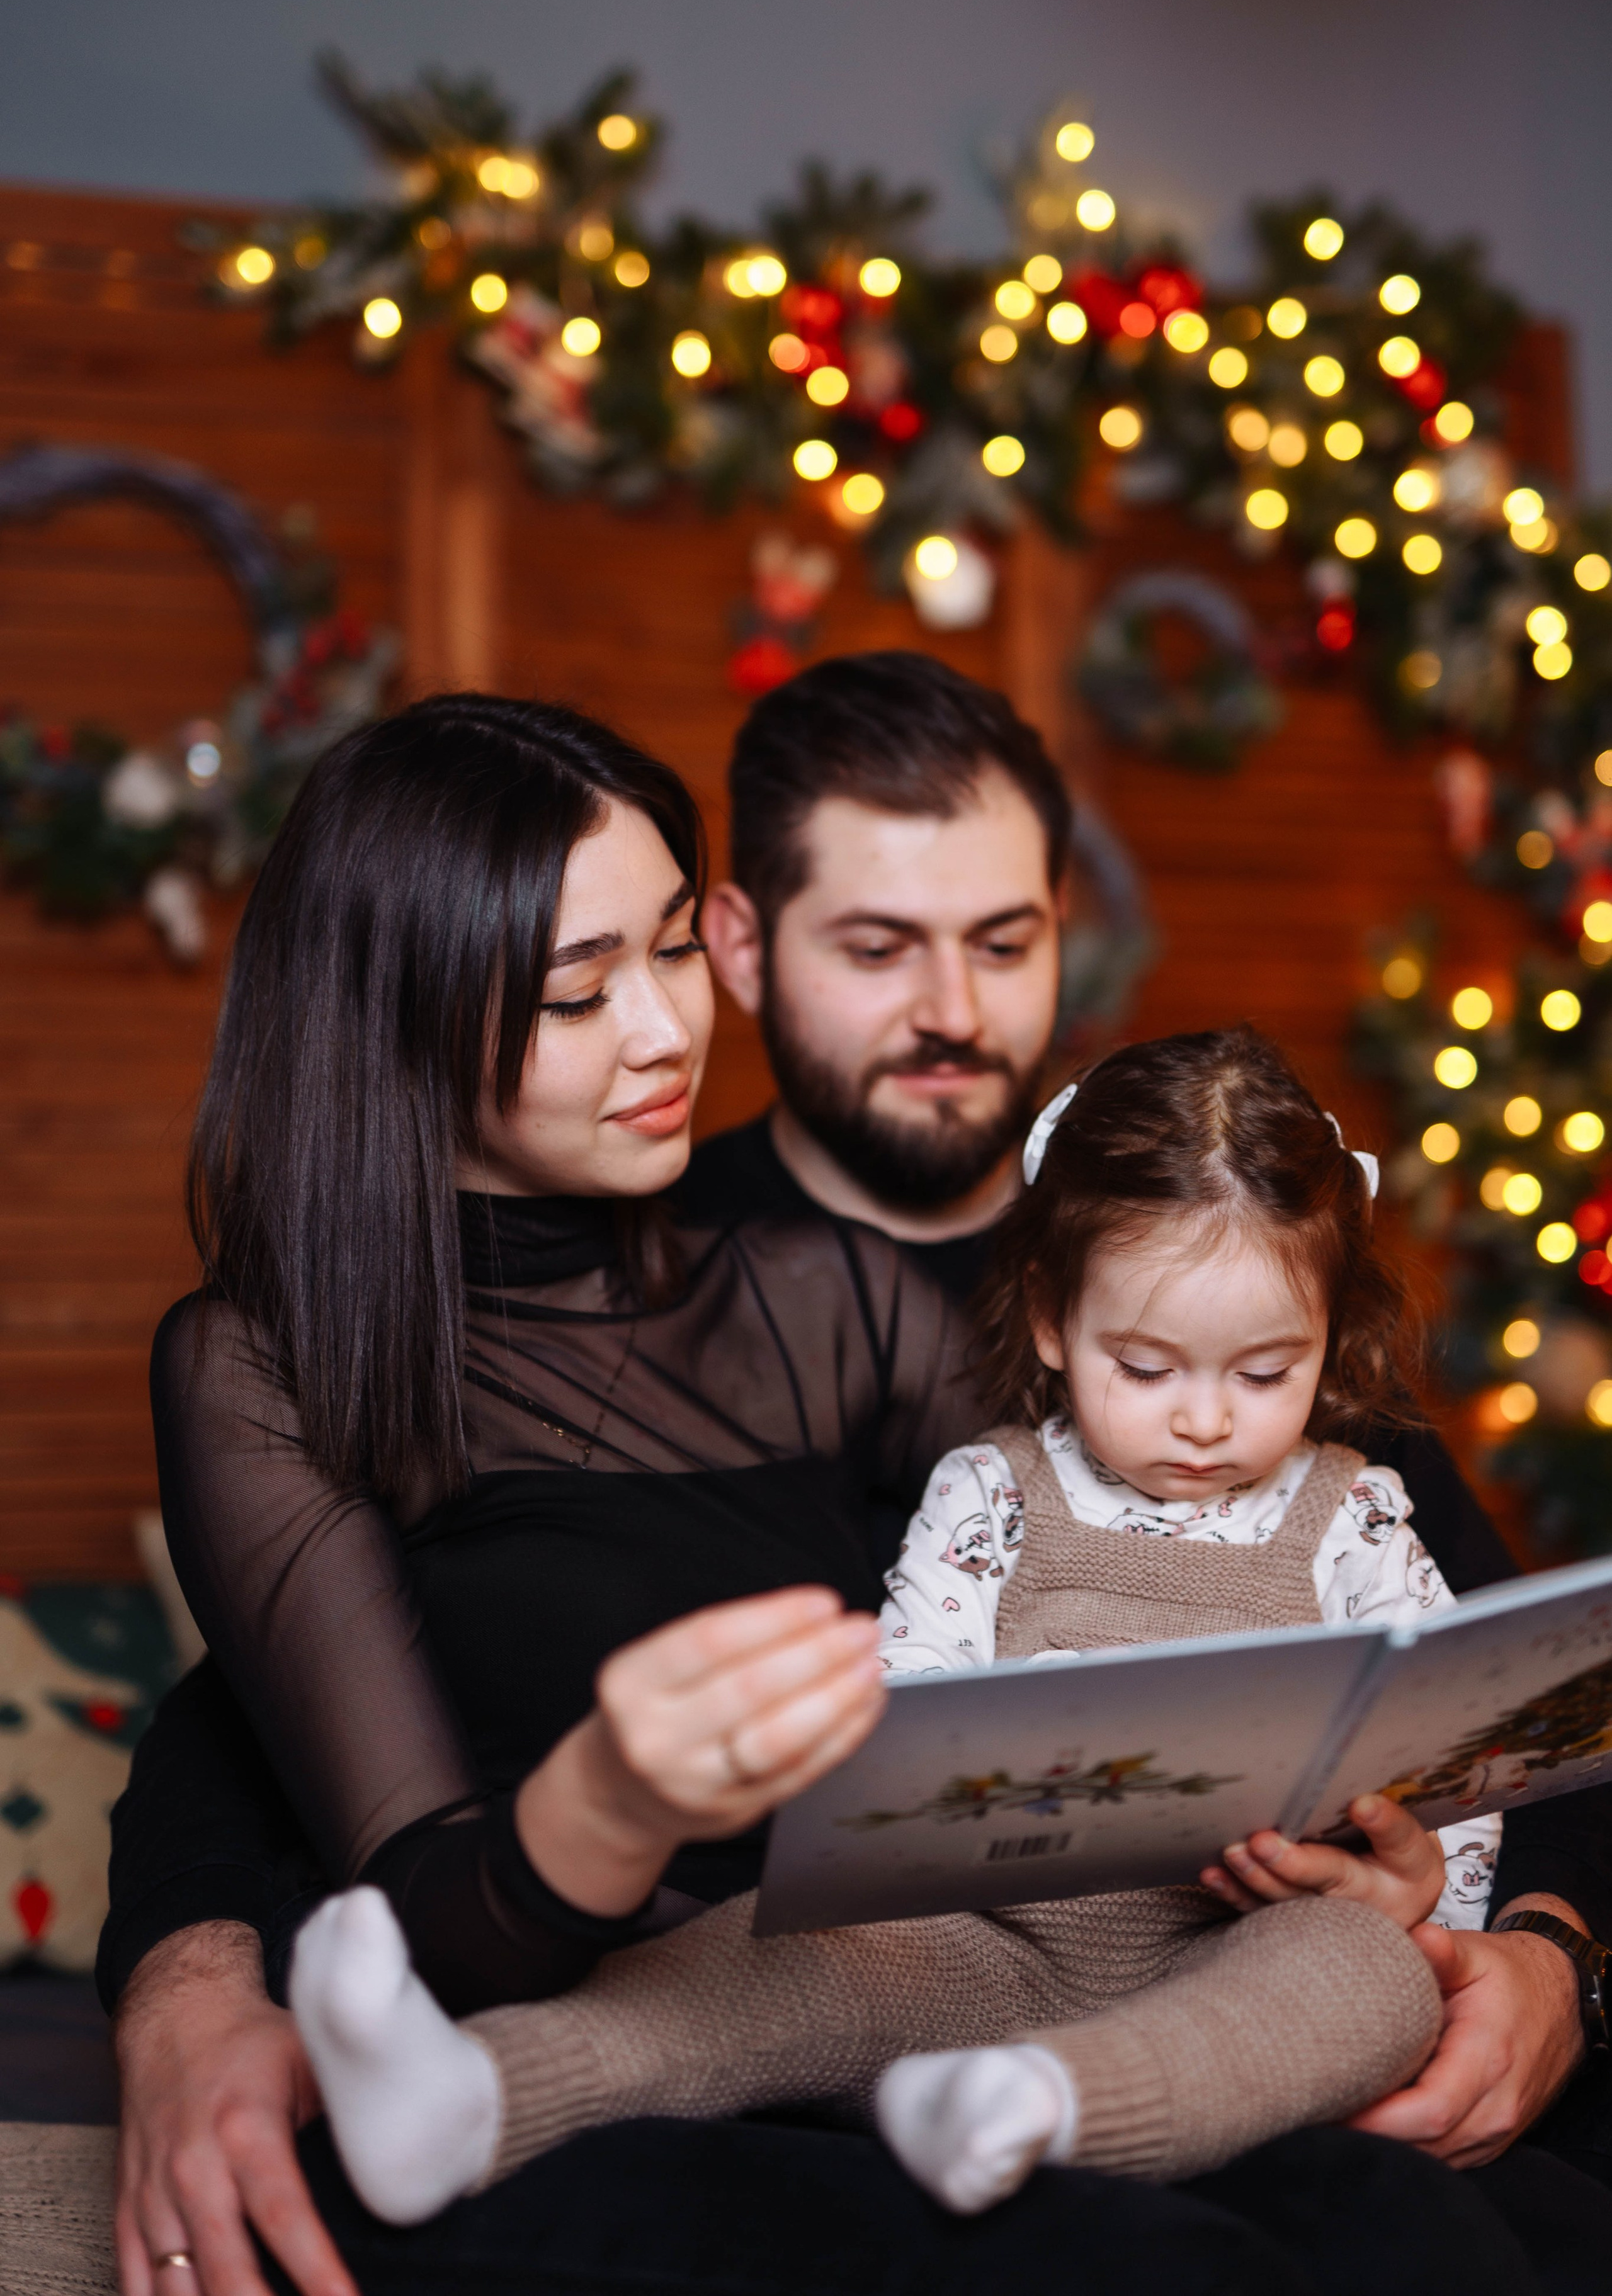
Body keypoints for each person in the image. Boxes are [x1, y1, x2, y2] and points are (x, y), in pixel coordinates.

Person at [99, 674, 1611, 2296]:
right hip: (733, 2010)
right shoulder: (310, 1353)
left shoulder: (855, 1299)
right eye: (576, 989)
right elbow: (260, 1719)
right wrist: (190, 1981)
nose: (670, 1030)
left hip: (1093, 1972)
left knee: (1408, 2207)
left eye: (666, 948)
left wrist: (1542, 1950)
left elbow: (1381, 1572)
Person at [285, 1026, 1484, 2231]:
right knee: (776, 1943)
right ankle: (478, 2091)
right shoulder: (994, 1493)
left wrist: (1421, 1888)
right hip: (977, 1942)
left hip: (1235, 1956)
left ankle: (1043, 2103)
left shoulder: (1355, 1517)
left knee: (1375, 1976)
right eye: (1148, 1366)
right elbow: (903, 1730)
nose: (1207, 1421)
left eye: (1268, 1373)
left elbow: (1461, 1753)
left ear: (1329, 1337)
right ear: (1055, 1321)